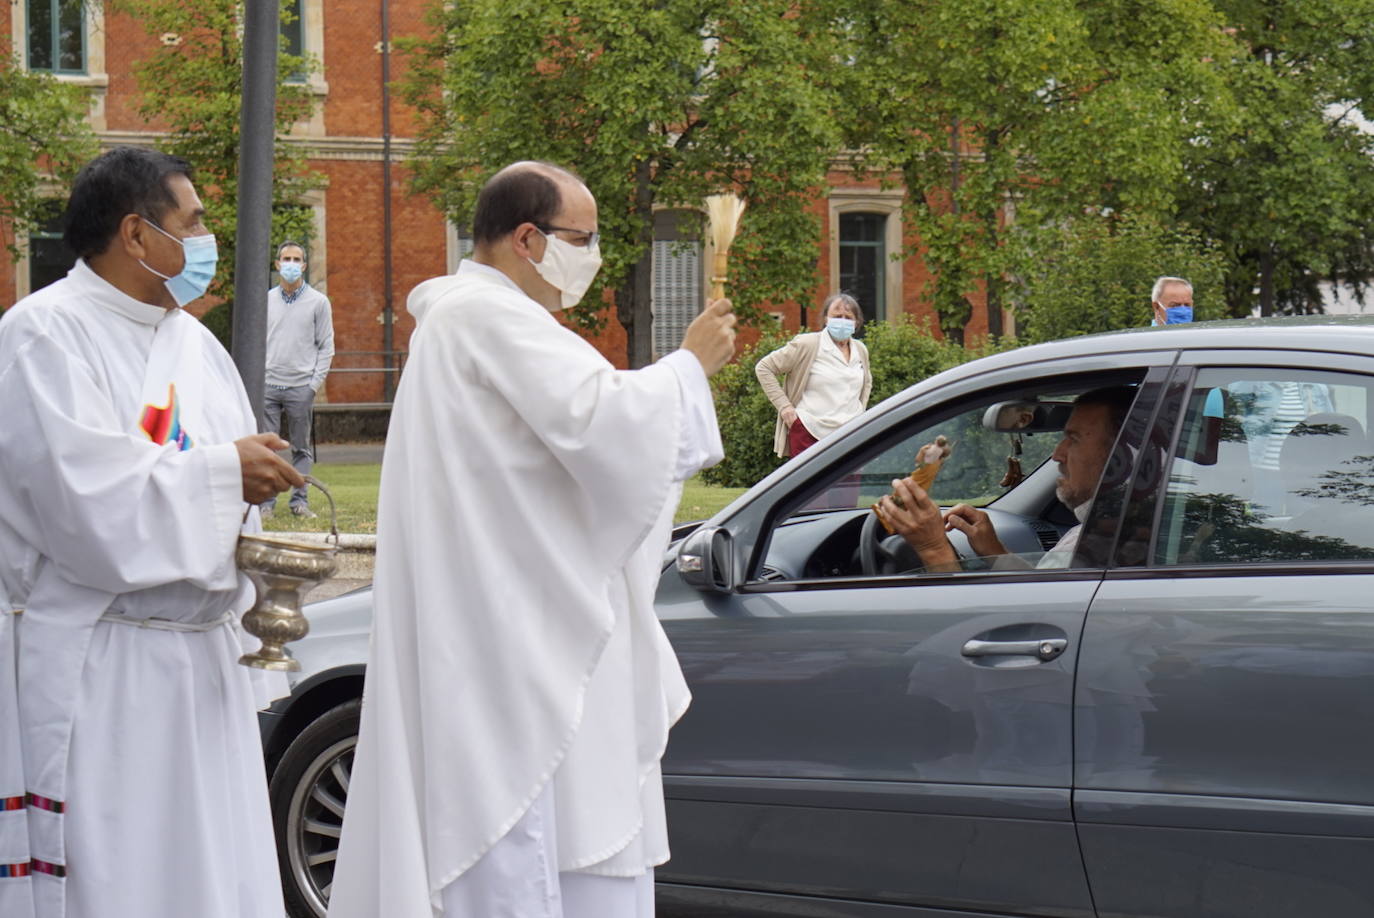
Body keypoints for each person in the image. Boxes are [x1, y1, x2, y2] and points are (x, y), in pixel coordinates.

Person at [329, 161, 736, 918]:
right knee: (524, 831)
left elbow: (569, 460)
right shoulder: (484, 318)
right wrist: (690, 366)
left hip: (514, 614)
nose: (595, 256)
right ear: (527, 237)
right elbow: (604, 422)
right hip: (511, 636)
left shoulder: (481, 322)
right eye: (584, 238)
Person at [0, 146, 303, 918]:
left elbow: (239, 490)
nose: (206, 241)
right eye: (193, 222)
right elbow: (83, 510)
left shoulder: (197, 347)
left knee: (211, 877)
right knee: (123, 880)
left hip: (202, 668)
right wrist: (221, 474)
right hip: (108, 666)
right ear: (137, 235)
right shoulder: (42, 336)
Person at [875, 386, 1135, 572]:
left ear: (1122, 457)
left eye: (1074, 439)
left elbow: (1029, 626)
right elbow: (1042, 593)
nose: (1057, 454)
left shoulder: (1100, 544)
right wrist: (993, 551)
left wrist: (933, 548)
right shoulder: (1133, 529)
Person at [260, 240, 334, 519]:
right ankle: (266, 503)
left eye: (296, 259)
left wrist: (313, 385)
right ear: (277, 264)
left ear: (303, 265)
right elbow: (258, 342)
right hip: (268, 385)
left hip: (300, 387)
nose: (290, 264)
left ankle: (299, 502)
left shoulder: (318, 302)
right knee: (269, 447)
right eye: (285, 259)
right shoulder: (266, 300)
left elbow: (326, 345)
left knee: (301, 448)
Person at [755, 292, 873, 458]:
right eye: (837, 316)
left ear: (856, 322)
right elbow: (764, 367)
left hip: (850, 433)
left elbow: (866, 383)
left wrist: (861, 415)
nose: (842, 321)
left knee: (848, 484)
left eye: (848, 317)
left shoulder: (860, 350)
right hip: (810, 431)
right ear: (826, 319)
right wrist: (785, 408)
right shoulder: (808, 344)